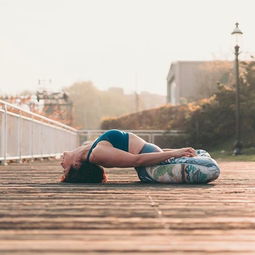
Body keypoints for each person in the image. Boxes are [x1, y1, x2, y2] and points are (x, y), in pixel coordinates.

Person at [60, 129, 220, 184]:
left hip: (156, 162)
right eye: (65, 170)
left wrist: (173, 151)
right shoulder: (97, 154)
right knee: (211, 168)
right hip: (152, 169)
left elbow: (138, 151)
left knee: (199, 153)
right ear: (76, 165)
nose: (61, 165)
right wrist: (174, 153)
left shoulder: (91, 148)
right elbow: (136, 160)